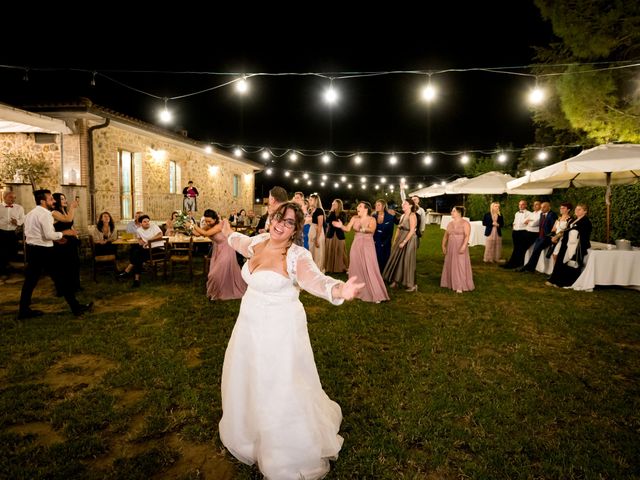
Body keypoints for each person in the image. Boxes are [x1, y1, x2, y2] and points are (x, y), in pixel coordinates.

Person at [219, 202, 364, 480]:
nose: (279, 225)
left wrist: (340, 288)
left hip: (279, 331)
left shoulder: (297, 256)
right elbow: (240, 242)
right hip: (248, 326)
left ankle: (285, 446)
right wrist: (228, 233)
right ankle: (248, 429)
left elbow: (316, 281)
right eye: (277, 218)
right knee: (248, 375)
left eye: (288, 223)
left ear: (295, 230)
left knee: (277, 383)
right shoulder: (259, 241)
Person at [18, 189, 92, 319]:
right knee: (62, 279)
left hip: (33, 250)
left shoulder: (30, 213)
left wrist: (57, 238)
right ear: (43, 201)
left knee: (30, 282)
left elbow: (33, 234)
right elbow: (48, 234)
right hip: (44, 251)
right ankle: (76, 308)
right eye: (51, 199)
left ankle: (23, 311)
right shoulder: (45, 214)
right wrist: (64, 233)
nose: (53, 201)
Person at [333, 201, 389, 303]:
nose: (357, 208)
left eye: (360, 206)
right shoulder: (354, 218)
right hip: (356, 244)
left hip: (367, 245)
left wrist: (363, 229)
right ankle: (356, 290)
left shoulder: (372, 219)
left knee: (370, 267)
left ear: (366, 209)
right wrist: (341, 226)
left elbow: (372, 230)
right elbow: (348, 229)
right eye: (357, 206)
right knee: (356, 265)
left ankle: (375, 292)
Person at [192, 209, 247, 300]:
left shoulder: (220, 224)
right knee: (218, 272)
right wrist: (185, 226)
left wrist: (192, 225)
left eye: (209, 221)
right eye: (206, 221)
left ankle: (225, 290)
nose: (207, 223)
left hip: (226, 249)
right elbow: (197, 233)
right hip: (217, 250)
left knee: (215, 273)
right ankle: (217, 291)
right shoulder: (209, 225)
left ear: (215, 219)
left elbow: (206, 234)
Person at [546, 203, 592, 288]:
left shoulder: (585, 221)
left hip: (576, 246)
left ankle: (564, 281)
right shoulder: (575, 219)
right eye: (576, 209)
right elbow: (567, 230)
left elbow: (581, 235)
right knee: (561, 261)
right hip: (566, 244)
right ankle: (555, 279)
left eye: (579, 209)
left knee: (569, 263)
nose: (577, 211)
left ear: (585, 212)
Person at [118, 215, 164, 287]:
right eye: (144, 222)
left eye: (148, 221)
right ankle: (136, 280)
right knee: (138, 255)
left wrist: (149, 241)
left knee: (137, 254)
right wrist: (140, 241)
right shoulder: (139, 230)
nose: (147, 223)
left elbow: (160, 234)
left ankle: (128, 271)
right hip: (147, 251)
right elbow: (139, 238)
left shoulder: (154, 226)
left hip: (158, 250)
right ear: (140, 224)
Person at [382, 199, 418, 292]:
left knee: (407, 260)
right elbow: (398, 229)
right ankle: (395, 280)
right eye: (403, 203)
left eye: (405, 204)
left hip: (409, 239)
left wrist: (404, 242)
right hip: (401, 237)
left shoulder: (412, 215)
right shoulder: (402, 216)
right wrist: (395, 241)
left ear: (410, 206)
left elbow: (412, 230)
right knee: (396, 258)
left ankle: (412, 285)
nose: (403, 205)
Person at [52, 192, 81, 294]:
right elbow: (68, 219)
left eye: (65, 199)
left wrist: (74, 232)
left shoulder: (64, 210)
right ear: (56, 201)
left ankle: (75, 285)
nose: (65, 201)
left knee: (74, 263)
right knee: (64, 265)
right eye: (62, 199)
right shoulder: (54, 212)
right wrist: (72, 207)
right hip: (61, 242)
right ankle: (63, 289)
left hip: (71, 241)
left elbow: (70, 223)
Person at [441, 206, 475, 293]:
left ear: (459, 213)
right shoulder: (450, 224)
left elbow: (467, 236)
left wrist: (464, 246)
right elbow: (446, 236)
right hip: (451, 246)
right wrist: (443, 246)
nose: (451, 212)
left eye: (453, 211)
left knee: (460, 264)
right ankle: (450, 282)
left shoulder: (465, 223)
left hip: (460, 245)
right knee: (451, 263)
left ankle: (460, 285)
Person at [517, 201, 557, 273]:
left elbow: (554, 228)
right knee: (535, 252)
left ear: (549, 207)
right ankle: (531, 268)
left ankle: (527, 267)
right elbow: (541, 226)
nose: (542, 209)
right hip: (540, 236)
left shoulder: (552, 215)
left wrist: (550, 237)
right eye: (541, 207)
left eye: (544, 207)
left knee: (536, 251)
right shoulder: (542, 214)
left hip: (547, 237)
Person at [0, 190, 25, 276]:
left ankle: (8, 266)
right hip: (1, 232)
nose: (13, 199)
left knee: (12, 251)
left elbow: (23, 219)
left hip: (13, 233)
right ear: (4, 197)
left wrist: (17, 222)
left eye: (14, 198)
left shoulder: (19, 208)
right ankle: (3, 269)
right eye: (10, 197)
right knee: (1, 251)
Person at [501, 200, 531, 269]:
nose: (520, 206)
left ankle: (518, 264)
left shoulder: (529, 213)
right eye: (519, 204)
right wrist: (514, 228)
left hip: (523, 232)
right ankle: (513, 263)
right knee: (516, 248)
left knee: (520, 249)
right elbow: (515, 222)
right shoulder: (517, 213)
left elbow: (527, 223)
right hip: (515, 232)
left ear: (526, 205)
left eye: (522, 204)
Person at [324, 199, 348, 273]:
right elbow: (327, 221)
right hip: (330, 234)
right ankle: (330, 267)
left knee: (340, 251)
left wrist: (333, 222)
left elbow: (341, 222)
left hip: (339, 235)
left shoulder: (343, 213)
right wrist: (331, 211)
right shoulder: (331, 212)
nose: (333, 205)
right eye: (332, 204)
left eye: (334, 204)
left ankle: (340, 267)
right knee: (330, 250)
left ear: (339, 205)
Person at [372, 199, 396, 273]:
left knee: (384, 257)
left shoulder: (390, 217)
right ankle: (374, 272)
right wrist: (373, 240)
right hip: (375, 239)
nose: (376, 206)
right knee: (375, 257)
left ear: (383, 206)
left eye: (378, 205)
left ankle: (384, 273)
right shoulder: (373, 216)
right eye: (376, 205)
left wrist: (385, 242)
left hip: (386, 240)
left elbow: (390, 233)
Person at [308, 193, 326, 271]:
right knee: (311, 251)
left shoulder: (319, 210)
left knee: (318, 252)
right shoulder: (310, 210)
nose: (309, 200)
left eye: (311, 199)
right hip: (311, 230)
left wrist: (317, 238)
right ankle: (312, 269)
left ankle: (318, 269)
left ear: (315, 201)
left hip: (318, 231)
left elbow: (320, 225)